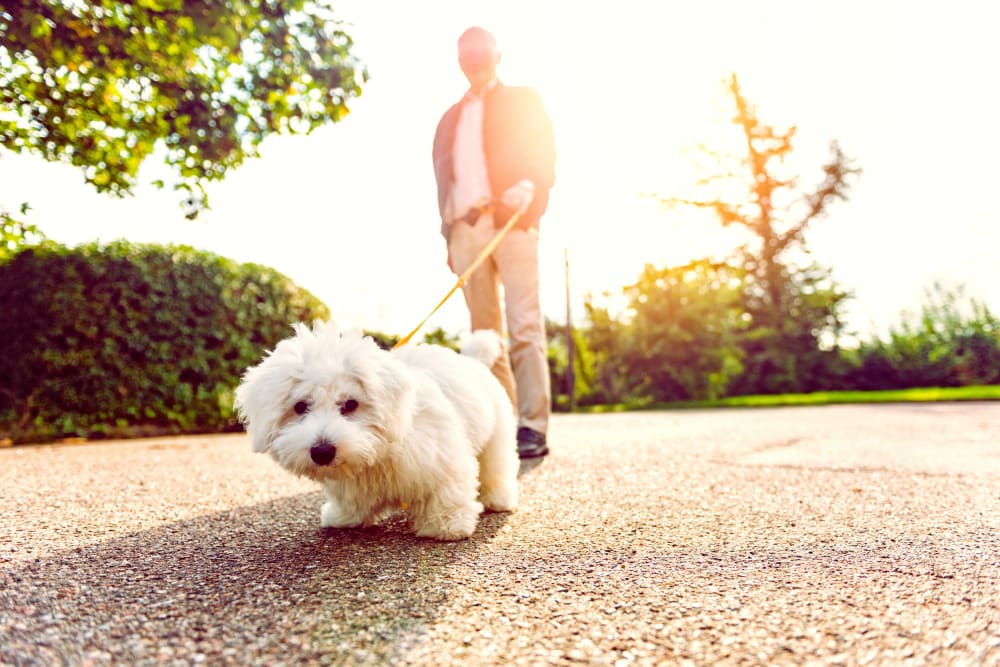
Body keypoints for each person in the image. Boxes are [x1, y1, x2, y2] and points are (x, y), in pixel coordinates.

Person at [432, 26, 556, 459]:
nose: (475, 58)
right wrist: (449, 237)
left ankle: (533, 426)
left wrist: (529, 185)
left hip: (513, 222)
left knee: (524, 325)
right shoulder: (448, 119)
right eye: (466, 52)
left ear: (497, 53)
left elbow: (543, 152)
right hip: (465, 230)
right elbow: (443, 183)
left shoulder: (523, 99)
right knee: (485, 335)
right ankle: (502, 425)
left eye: (482, 50)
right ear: (458, 60)